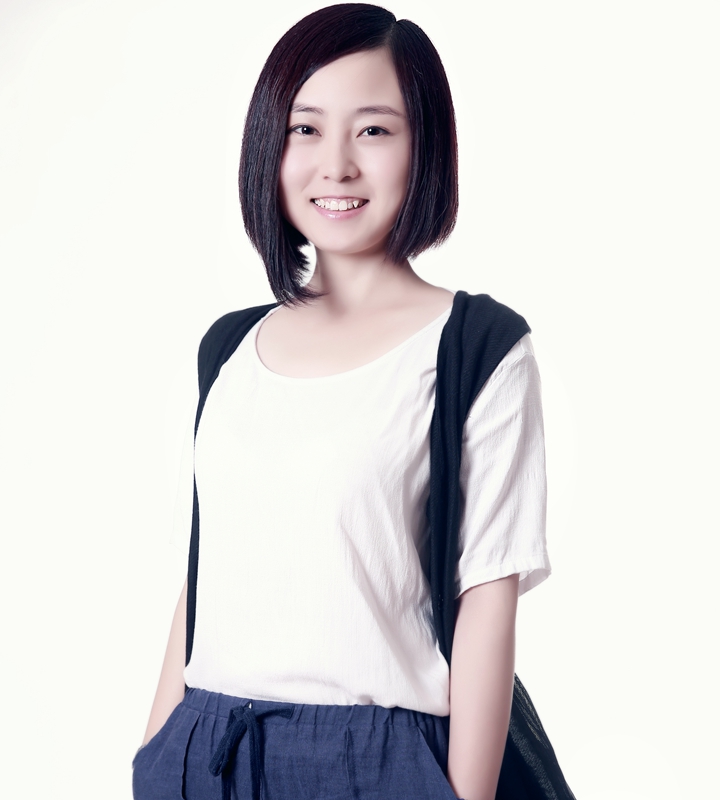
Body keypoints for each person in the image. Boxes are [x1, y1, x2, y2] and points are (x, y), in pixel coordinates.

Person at [132, 5, 561, 800]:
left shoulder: (476, 346)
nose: (336, 165)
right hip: (207, 748)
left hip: (379, 760)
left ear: (425, 148)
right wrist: (156, 753)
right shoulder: (228, 348)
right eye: (305, 129)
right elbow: (205, 576)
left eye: (373, 130)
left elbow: (487, 601)